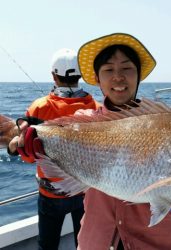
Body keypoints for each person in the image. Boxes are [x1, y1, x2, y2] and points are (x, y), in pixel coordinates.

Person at [11, 34, 171, 250]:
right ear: (96, 77)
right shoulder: (85, 120)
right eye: (108, 70)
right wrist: (29, 145)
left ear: (139, 74)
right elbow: (48, 139)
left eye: (126, 68)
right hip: (97, 241)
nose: (118, 77)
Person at [8, 48, 100, 250]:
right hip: (84, 190)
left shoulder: (38, 107)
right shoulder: (96, 107)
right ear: (80, 75)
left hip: (50, 193)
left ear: (53, 75)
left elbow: (30, 157)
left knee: (47, 245)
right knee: (84, 243)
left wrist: (14, 146)